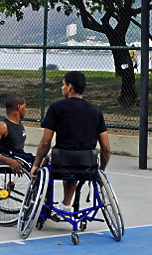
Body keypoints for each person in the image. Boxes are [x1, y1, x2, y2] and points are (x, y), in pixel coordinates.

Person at [32, 71, 111, 212]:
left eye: (63, 85)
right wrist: (102, 170)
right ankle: (66, 205)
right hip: (87, 163)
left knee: (50, 166)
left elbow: (45, 142)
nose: (62, 88)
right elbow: (106, 148)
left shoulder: (56, 108)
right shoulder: (96, 112)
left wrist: (36, 164)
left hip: (62, 161)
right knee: (76, 164)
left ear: (70, 87)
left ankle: (44, 206)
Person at [0, 94, 31, 174]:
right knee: (37, 166)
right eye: (25, 107)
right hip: (7, 159)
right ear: (19, 107)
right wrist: (10, 161)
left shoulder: (18, 122)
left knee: (42, 163)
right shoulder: (2, 126)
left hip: (18, 155)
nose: (26, 110)